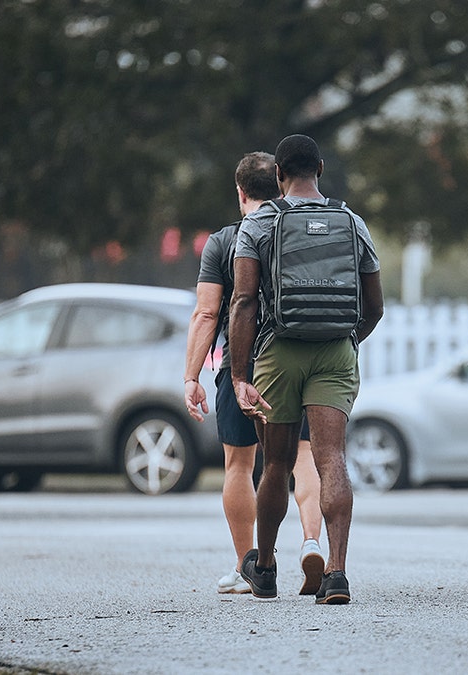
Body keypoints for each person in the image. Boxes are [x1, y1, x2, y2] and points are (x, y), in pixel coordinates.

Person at [229, 134, 384, 604]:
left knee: (275, 462)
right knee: (331, 457)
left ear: (278, 174)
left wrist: (240, 375)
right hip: (336, 349)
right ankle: (336, 573)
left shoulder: (259, 224)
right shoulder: (352, 222)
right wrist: (346, 340)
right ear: (319, 167)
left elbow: (242, 303)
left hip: (280, 351)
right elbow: (375, 305)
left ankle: (268, 567)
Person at [182, 151, 326, 598]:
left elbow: (208, 313)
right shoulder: (301, 229)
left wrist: (191, 376)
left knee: (240, 465)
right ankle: (311, 541)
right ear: (280, 182)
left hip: (241, 365)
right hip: (296, 359)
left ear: (240, 192)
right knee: (302, 457)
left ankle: (251, 566)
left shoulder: (225, 241)